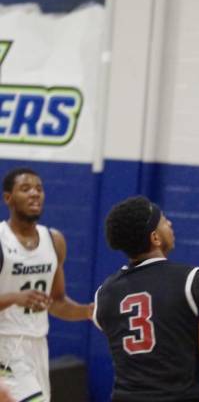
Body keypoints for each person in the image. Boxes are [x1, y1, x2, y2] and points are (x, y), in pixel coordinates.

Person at [93, 196, 199, 402]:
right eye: (163, 220)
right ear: (155, 238)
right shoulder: (194, 282)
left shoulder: (104, 294)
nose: (170, 223)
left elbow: (161, 303)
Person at [0, 167, 94, 402]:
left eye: (39, 189)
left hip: (38, 345)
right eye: (25, 189)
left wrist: (89, 311)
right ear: (8, 198)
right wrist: (14, 297)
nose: (34, 194)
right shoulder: (1, 240)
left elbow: (57, 303)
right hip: (5, 344)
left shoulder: (54, 240)